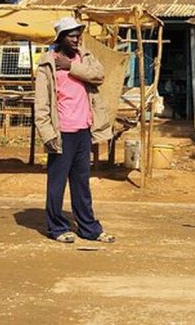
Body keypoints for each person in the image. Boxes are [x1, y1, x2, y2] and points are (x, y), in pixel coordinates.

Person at [34, 17, 115, 243]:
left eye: (78, 34)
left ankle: (90, 229)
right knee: (57, 183)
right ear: (60, 38)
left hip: (83, 130)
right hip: (61, 133)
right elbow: (41, 105)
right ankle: (57, 228)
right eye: (71, 35)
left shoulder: (85, 57)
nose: (76, 39)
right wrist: (47, 134)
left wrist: (71, 67)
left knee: (82, 183)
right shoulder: (47, 64)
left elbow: (99, 75)